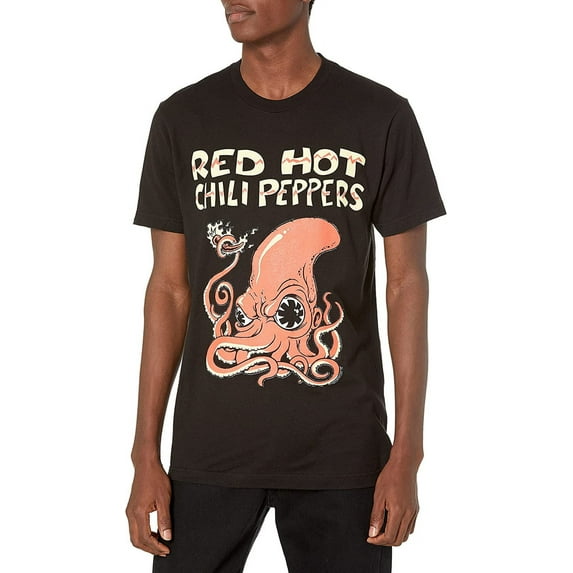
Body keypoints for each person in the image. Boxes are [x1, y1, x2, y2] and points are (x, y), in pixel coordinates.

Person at [126, 0, 447, 571]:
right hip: (209, 451)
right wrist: (144, 454)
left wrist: (407, 454)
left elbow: (406, 284)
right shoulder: (182, 119)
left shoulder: (379, 115)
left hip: (343, 456)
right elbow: (170, 289)